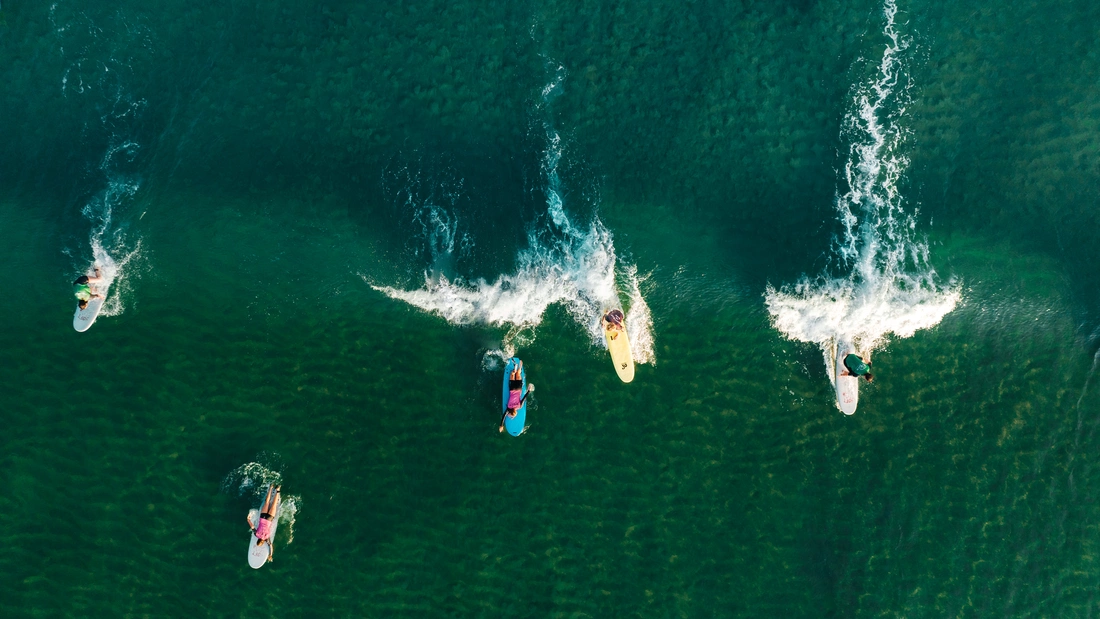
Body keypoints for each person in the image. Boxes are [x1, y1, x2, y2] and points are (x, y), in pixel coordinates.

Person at [247, 484, 281, 562]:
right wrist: (248, 520)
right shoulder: (257, 534)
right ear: (258, 540)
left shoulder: (266, 538)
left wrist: (270, 555)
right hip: (263, 517)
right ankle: (271, 487)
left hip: (269, 519)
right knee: (267, 502)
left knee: (274, 505)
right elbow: (252, 526)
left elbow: (271, 546)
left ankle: (278, 489)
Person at [499, 359, 527, 433]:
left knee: (518, 374)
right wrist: (501, 425)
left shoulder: (519, 406)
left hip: (518, 388)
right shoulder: (508, 408)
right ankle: (515, 368)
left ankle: (519, 368)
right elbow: (504, 416)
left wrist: (529, 391)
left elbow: (524, 398)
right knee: (512, 374)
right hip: (512, 388)